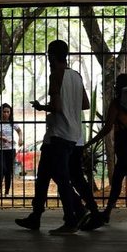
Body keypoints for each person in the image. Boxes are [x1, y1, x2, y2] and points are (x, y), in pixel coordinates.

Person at [15, 40, 90, 234]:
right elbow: (85, 104)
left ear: (52, 55)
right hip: (72, 134)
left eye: (49, 55)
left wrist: (42, 107)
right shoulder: (77, 76)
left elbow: (56, 107)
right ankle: (36, 216)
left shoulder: (56, 75)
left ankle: (73, 218)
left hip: (59, 134)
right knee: (44, 178)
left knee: (61, 178)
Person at [86, 73, 127, 227]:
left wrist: (90, 143)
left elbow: (107, 128)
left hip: (123, 147)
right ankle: (108, 213)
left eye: (117, 83)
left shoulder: (117, 104)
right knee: (118, 180)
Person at [0, 103, 22, 196]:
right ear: (1, 112)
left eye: (8, 112)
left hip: (10, 149)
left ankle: (7, 191)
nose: (6, 114)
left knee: (8, 171)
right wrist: (0, 138)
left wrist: (20, 138)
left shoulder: (12, 122)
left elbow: (19, 131)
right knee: (1, 168)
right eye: (4, 112)